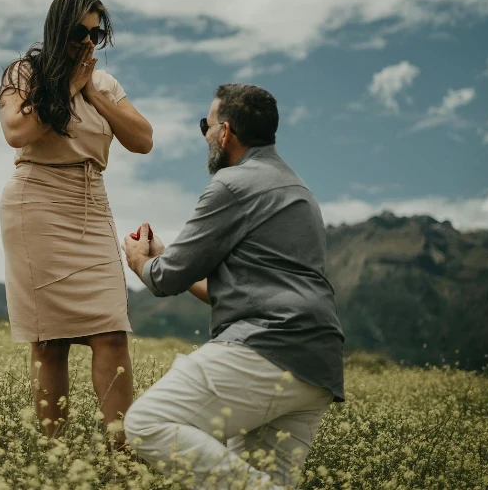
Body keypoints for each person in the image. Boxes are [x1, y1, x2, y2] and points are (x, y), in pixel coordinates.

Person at [121, 84, 345, 489]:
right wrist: (169, 255)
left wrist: (141, 260)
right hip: (317, 364)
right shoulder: (300, 193)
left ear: (224, 133)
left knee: (146, 422)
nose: (205, 134)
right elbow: (238, 287)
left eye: (205, 125)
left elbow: (165, 278)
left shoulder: (231, 185)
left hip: (267, 347)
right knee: (257, 475)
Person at [0, 0, 154, 448]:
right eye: (79, 32)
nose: (88, 42)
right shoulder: (25, 74)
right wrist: (66, 86)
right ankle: (54, 454)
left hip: (90, 205)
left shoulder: (105, 85)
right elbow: (17, 130)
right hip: (36, 204)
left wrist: (92, 92)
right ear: (57, 29)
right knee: (49, 343)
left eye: (96, 33)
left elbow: (143, 139)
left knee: (112, 333)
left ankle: (121, 452)